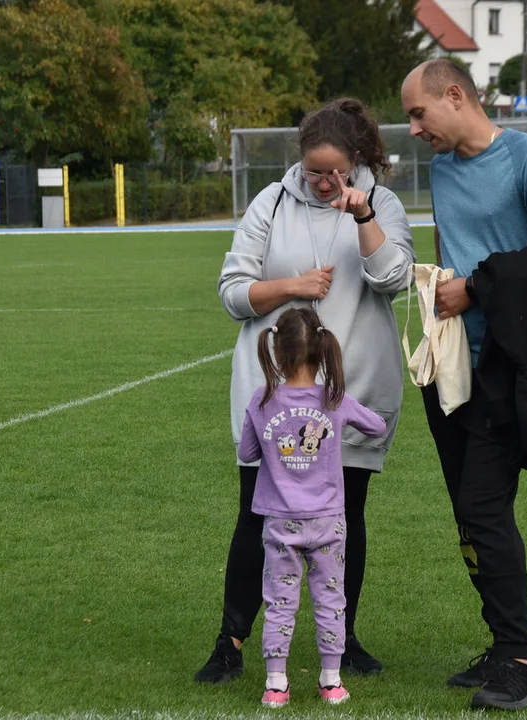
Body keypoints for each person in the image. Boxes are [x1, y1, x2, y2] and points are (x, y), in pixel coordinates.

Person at [197, 97, 415, 683]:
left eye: (335, 172)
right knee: (256, 516)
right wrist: (291, 285)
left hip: (353, 394)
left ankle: (341, 642)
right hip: (275, 401)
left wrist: (362, 215)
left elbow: (393, 278)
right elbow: (232, 292)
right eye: (314, 171)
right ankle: (230, 643)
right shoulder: (270, 202)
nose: (323, 183)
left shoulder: (383, 204)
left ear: (359, 160)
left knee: (346, 520)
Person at [400, 60, 527, 711]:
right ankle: (501, 644)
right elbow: (455, 264)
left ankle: (517, 659)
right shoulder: (442, 171)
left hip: (513, 366)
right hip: (453, 369)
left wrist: (473, 287)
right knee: (470, 515)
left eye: (419, 113)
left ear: (455, 95)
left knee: (483, 507)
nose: (413, 128)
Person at [239, 307, 387, 707]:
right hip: (327, 522)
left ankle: (275, 684)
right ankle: (331, 680)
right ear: (322, 353)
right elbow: (377, 426)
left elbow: (248, 451)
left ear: (277, 351)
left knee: (279, 603)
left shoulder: (263, 399)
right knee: (330, 598)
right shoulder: (333, 399)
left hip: (280, 523)